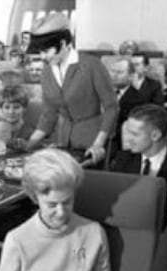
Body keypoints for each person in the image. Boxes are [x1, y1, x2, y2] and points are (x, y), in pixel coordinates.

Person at [25, 13, 117, 166]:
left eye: (46, 51)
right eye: (39, 52)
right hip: (63, 140)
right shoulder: (47, 71)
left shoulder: (91, 65)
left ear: (62, 43)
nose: (42, 57)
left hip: (92, 140)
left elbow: (111, 108)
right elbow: (49, 114)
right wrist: (29, 145)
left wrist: (98, 143)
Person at [109, 104, 167, 189]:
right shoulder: (122, 159)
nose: (128, 139)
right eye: (128, 132)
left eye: (134, 134)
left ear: (155, 135)